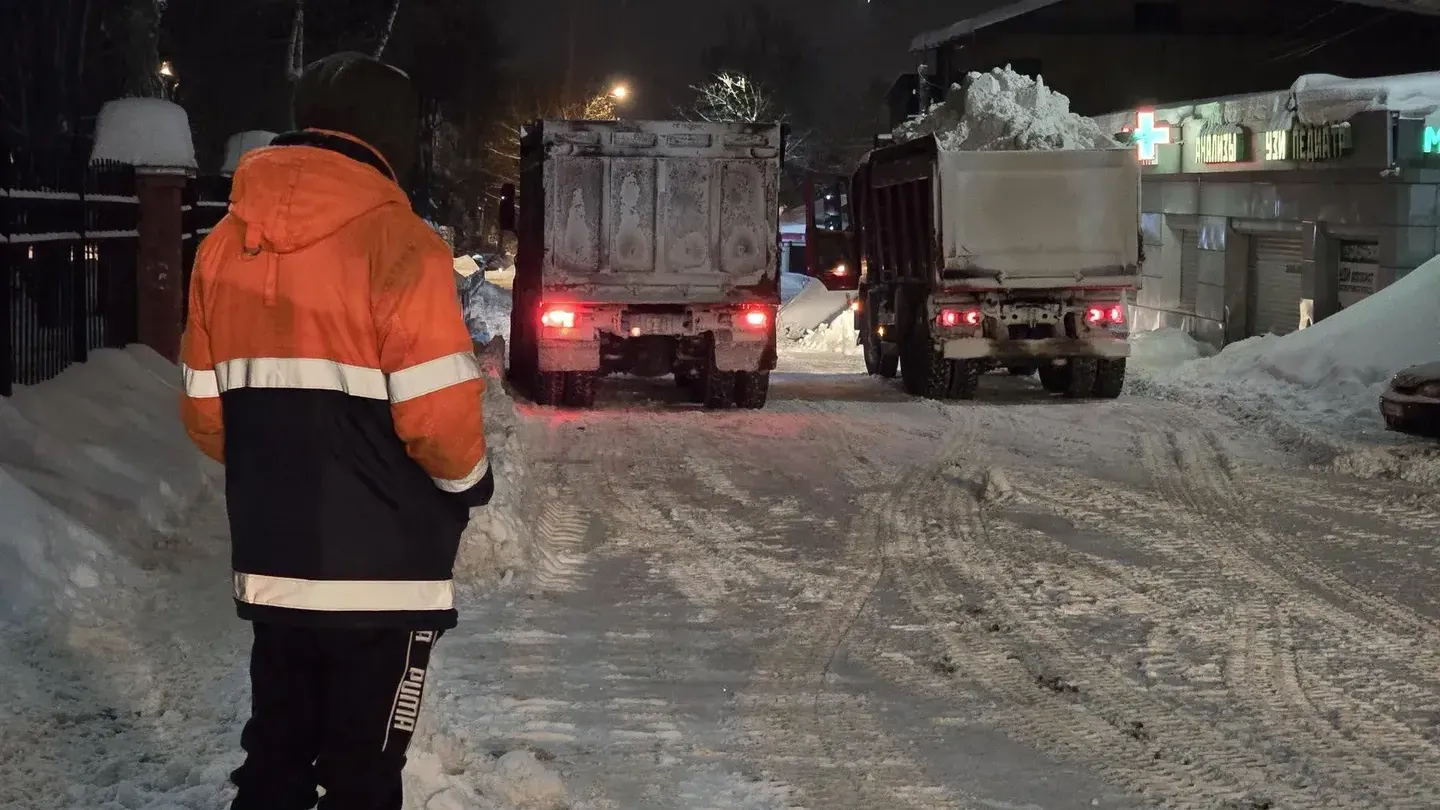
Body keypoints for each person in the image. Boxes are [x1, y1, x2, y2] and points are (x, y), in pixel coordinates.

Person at [177, 52, 493, 810]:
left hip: (275, 559)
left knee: (276, 752)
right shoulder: (402, 245)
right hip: (385, 574)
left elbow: (203, 409)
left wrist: (280, 469)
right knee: (364, 768)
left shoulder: (223, 245)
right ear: (390, 137)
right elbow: (438, 417)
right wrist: (469, 484)